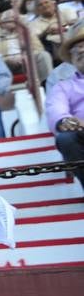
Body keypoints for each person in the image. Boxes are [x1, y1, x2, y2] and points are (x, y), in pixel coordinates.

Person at [47, 25, 84, 200]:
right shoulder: (63, 86)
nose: (81, 50)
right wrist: (64, 121)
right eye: (76, 50)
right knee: (66, 138)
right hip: (81, 132)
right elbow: (56, 109)